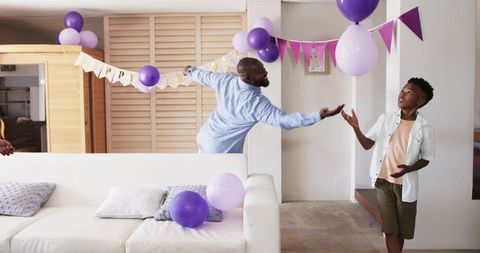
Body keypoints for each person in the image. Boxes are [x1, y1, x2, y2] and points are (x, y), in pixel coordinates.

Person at [341, 77, 434, 253]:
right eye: (403, 90)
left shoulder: (425, 127)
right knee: (390, 231)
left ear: (420, 101)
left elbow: (426, 158)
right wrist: (356, 128)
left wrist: (409, 169)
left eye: (409, 93)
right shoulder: (386, 119)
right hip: (383, 182)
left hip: (405, 186)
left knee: (400, 233)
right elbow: (368, 144)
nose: (402, 94)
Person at [183, 57, 344, 153]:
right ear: (247, 77)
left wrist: (190, 71)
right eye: (260, 72)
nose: (266, 72)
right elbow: (284, 121)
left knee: (207, 184)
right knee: (223, 191)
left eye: (263, 68)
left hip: (204, 138)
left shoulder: (225, 79)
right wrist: (319, 115)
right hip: (221, 150)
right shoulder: (256, 104)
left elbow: (205, 76)